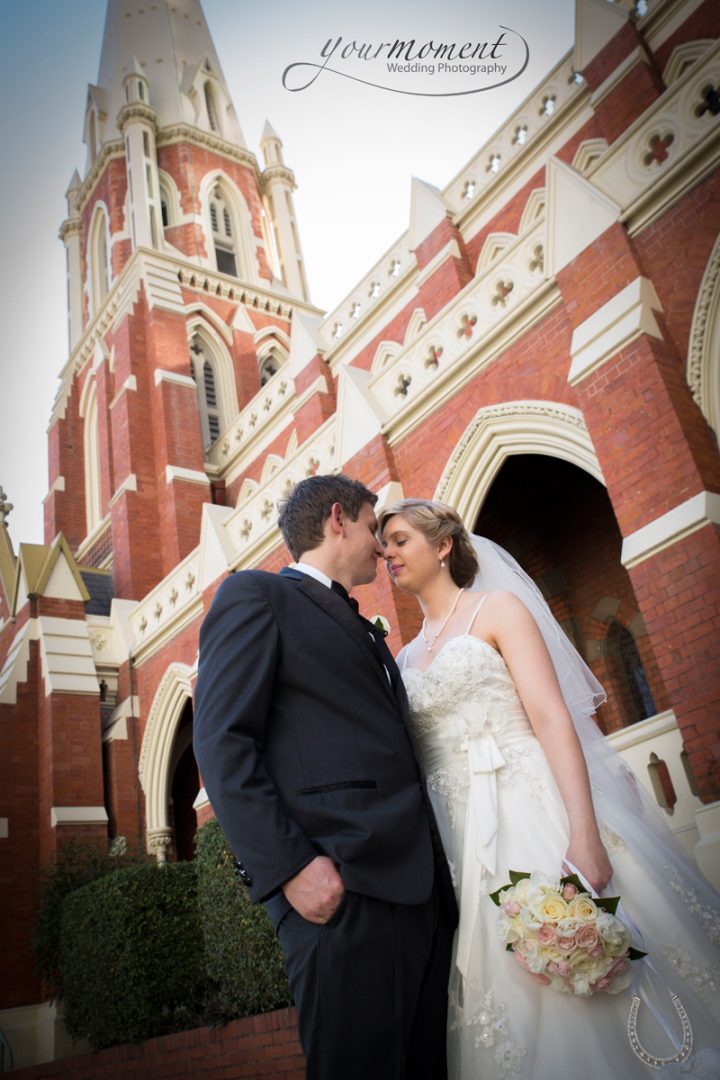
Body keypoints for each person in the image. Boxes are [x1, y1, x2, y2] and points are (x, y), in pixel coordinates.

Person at [379, 497, 720, 1080]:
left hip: (534, 808)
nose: (389, 555)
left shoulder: (497, 609)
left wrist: (584, 836)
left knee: (593, 954)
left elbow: (552, 717)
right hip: (465, 844)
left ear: (442, 546)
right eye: (383, 546)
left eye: (402, 540)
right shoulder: (403, 657)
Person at [193, 475, 457, 1080]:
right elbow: (221, 742)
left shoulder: (362, 624)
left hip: (419, 895)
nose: (382, 546)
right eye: (373, 527)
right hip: (341, 895)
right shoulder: (255, 596)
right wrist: (289, 869)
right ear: (338, 520)